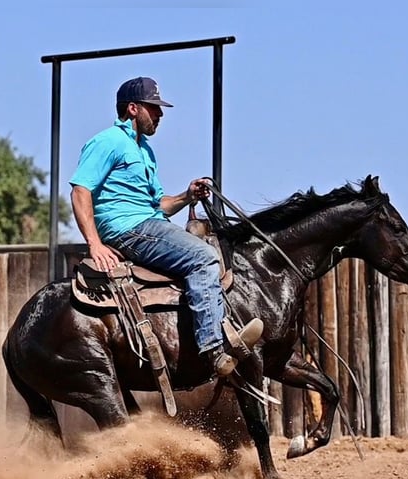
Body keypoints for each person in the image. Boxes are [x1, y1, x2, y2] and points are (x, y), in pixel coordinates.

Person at [69, 76, 263, 378]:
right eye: (154, 108)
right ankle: (213, 349)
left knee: (216, 250)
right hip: (127, 228)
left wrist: (187, 196)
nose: (160, 114)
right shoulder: (108, 141)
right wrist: (94, 243)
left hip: (147, 223)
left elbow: (159, 205)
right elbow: (80, 190)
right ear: (133, 108)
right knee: (203, 258)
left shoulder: (144, 150)